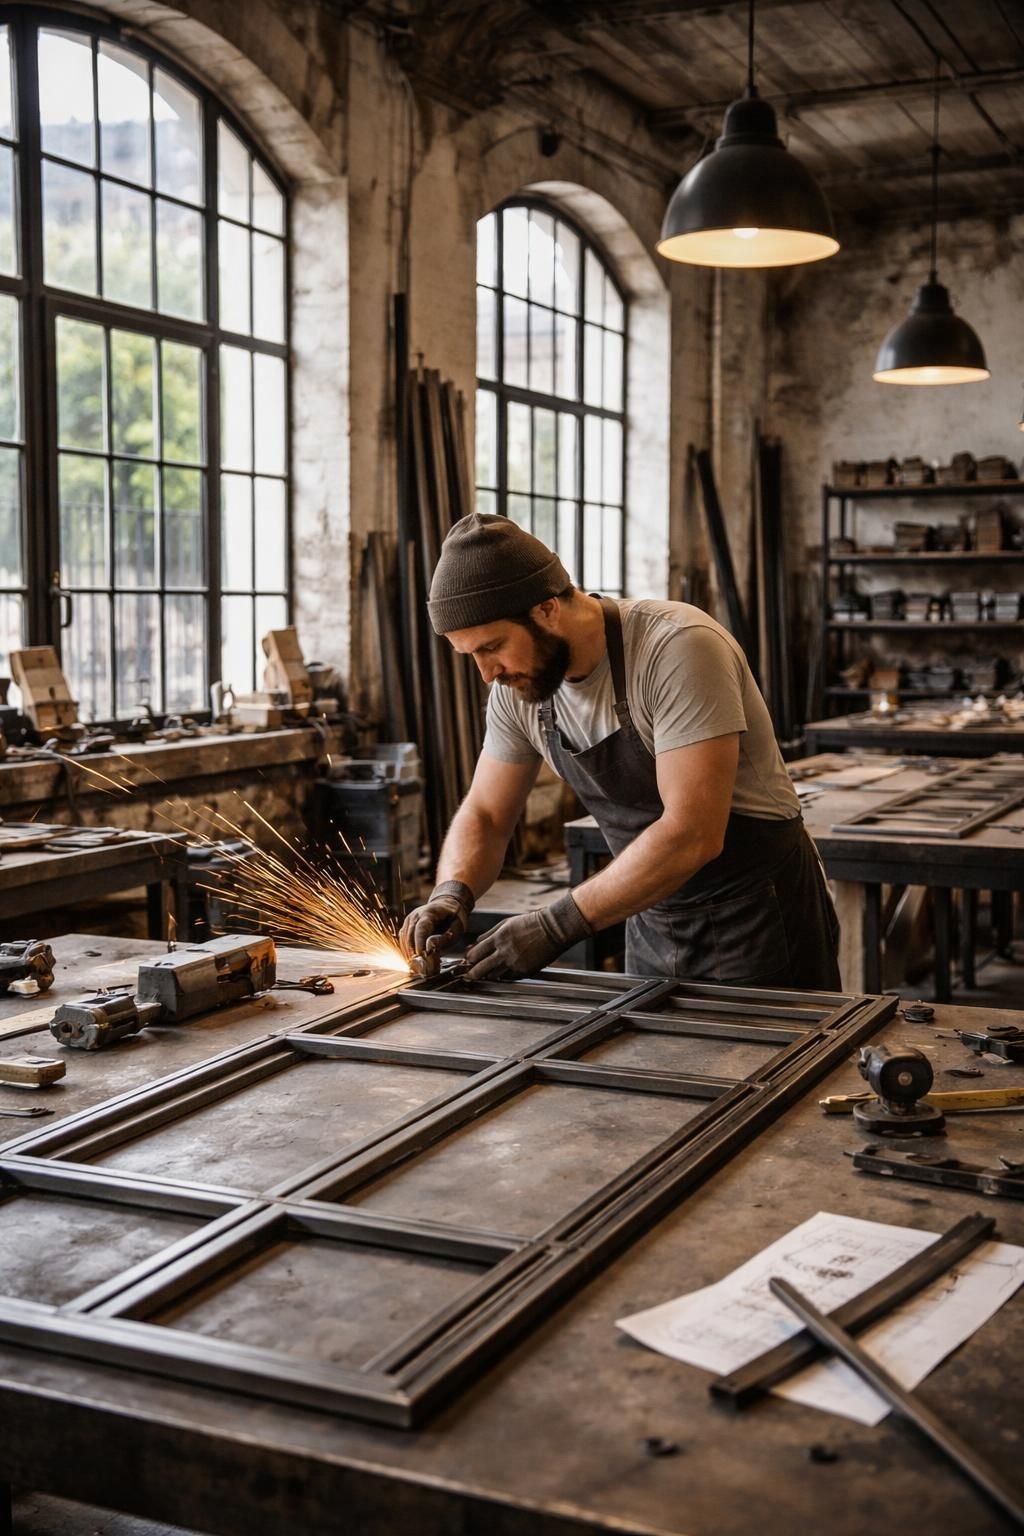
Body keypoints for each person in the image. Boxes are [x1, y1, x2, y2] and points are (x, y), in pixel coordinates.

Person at [400, 512, 840, 990]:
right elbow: (486, 812)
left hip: (759, 918)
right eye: (471, 656)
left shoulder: (677, 648)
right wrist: (452, 894)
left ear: (547, 609)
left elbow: (692, 832)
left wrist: (555, 925)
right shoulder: (520, 691)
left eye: (493, 647)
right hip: (652, 917)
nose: (487, 673)